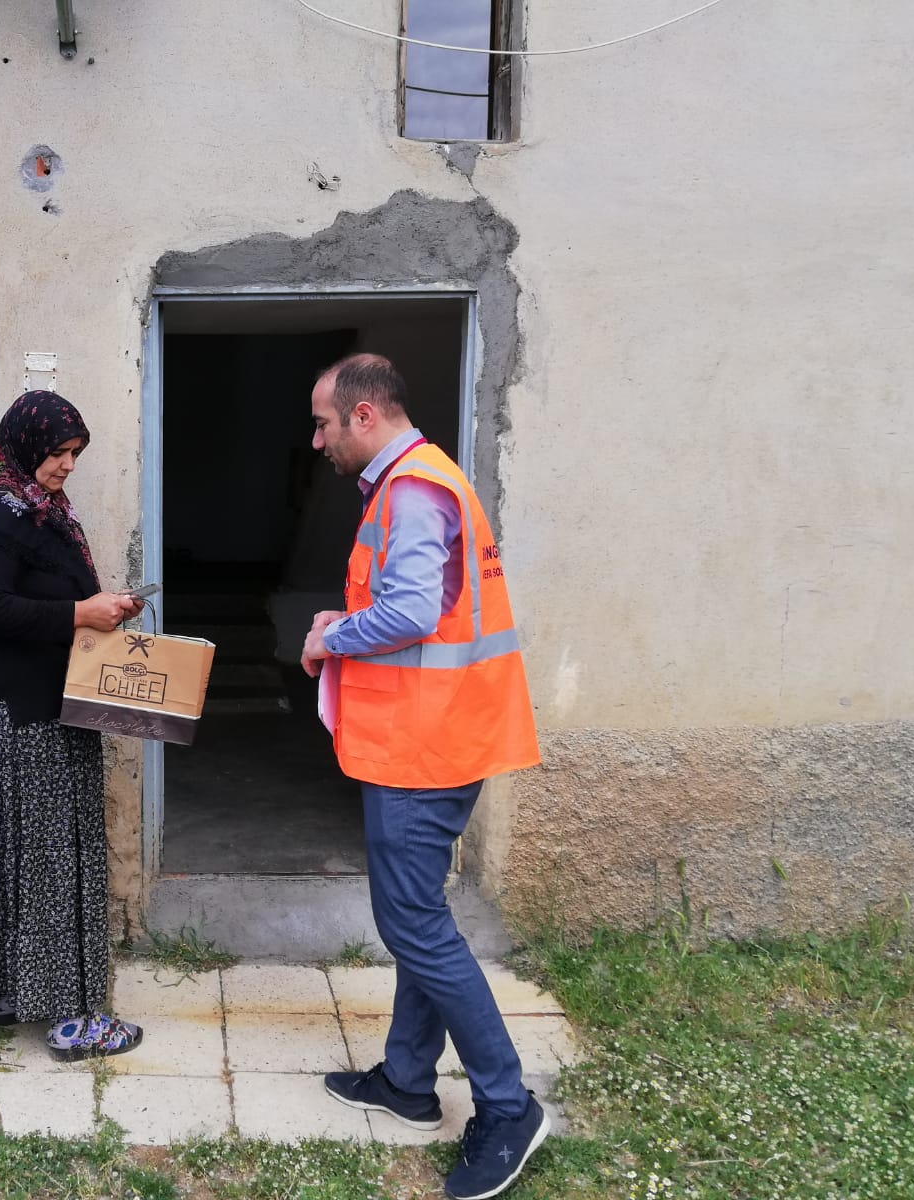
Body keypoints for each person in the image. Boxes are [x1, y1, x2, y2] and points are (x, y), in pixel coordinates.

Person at [301, 354, 547, 1200]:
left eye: (324, 424)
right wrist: (345, 619)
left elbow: (408, 613)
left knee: (412, 925)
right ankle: (407, 1081)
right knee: (419, 920)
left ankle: (507, 1106)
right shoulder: (419, 479)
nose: (318, 440)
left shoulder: (410, 490)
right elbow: (421, 608)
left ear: (364, 415)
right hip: (432, 739)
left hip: (423, 748)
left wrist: (330, 637)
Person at [0, 390, 146, 1060]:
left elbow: (45, 597)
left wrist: (104, 609)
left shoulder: (42, 512)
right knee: (46, 869)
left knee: (27, 864)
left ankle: (14, 992)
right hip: (18, 723)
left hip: (51, 712)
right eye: (57, 452)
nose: (66, 465)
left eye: (74, 453)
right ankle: (69, 1020)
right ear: (25, 446)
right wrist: (81, 614)